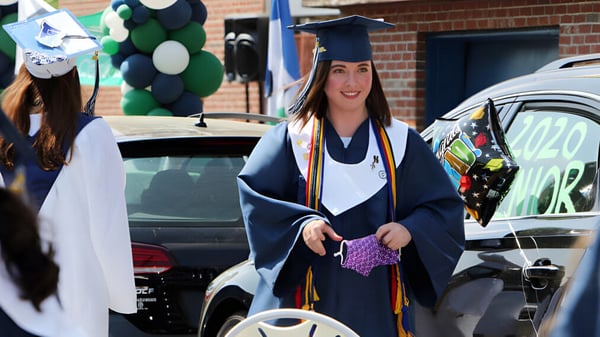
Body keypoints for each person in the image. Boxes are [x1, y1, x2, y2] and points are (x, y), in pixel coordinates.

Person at [237, 15, 466, 337]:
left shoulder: (402, 141)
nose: (353, 83)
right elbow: (258, 203)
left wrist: (410, 229)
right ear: (321, 75)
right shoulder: (289, 141)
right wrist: (302, 226)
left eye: (362, 70)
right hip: (304, 295)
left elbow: (443, 208)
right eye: (339, 71)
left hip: (375, 297)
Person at [0, 9, 137, 337]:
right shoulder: (90, 135)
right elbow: (108, 224)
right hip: (74, 295)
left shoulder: (3, 138)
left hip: (10, 294)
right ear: (71, 78)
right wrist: (120, 293)